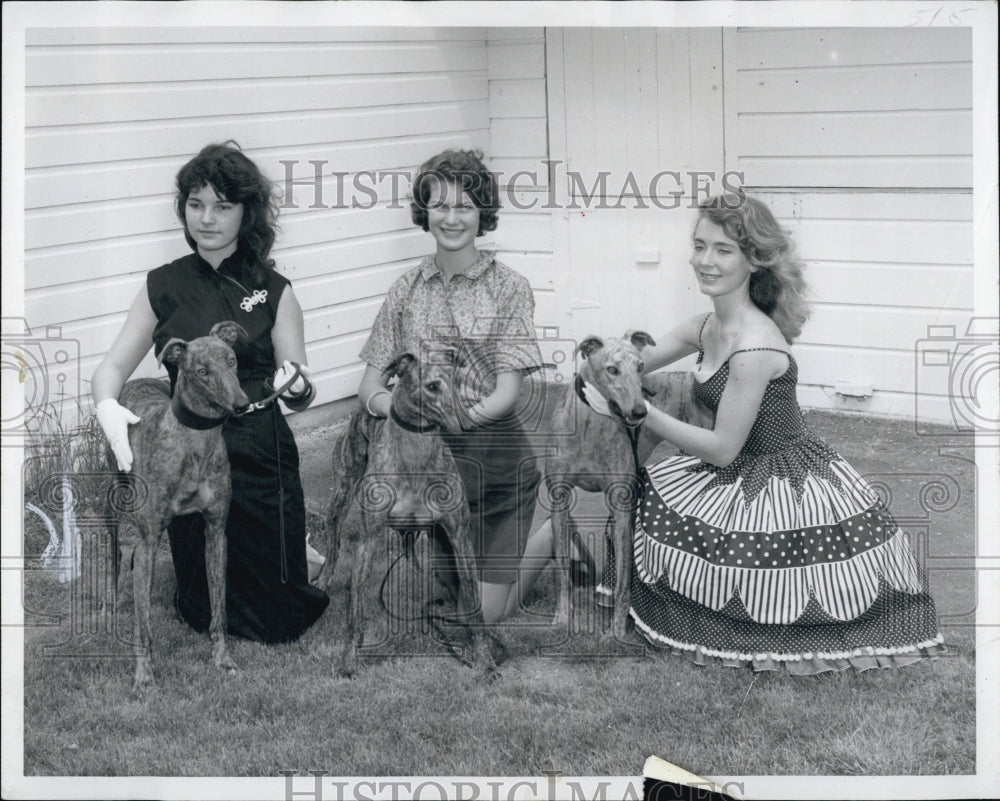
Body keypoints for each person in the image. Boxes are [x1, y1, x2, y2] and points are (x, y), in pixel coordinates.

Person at [615, 192, 944, 672]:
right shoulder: (703, 326)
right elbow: (631, 362)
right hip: (734, 470)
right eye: (700, 245)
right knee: (651, 499)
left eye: (723, 250)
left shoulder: (757, 348)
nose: (705, 261)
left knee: (768, 578)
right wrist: (605, 364)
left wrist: (640, 409)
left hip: (783, 479)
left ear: (754, 260)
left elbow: (724, 450)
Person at [93, 141, 329, 643]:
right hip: (189, 456)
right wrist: (108, 408)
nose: (207, 218)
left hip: (258, 453)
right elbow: (112, 366)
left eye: (223, 206)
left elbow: (299, 387)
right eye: (196, 205)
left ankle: (296, 553)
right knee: (198, 611)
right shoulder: (164, 285)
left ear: (246, 213)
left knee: (281, 619)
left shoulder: (275, 287)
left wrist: (299, 387)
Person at [358, 148, 595, 624]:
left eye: (464, 205)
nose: (451, 217)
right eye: (440, 205)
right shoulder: (405, 290)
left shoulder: (508, 287)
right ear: (424, 212)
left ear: (482, 213)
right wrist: (402, 415)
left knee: (482, 617)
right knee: (452, 596)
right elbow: (370, 386)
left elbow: (506, 394)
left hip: (496, 468)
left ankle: (550, 536)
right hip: (433, 473)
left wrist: (449, 417)